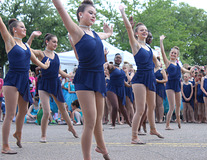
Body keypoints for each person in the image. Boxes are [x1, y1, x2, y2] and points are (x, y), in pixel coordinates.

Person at [52, 0, 113, 159]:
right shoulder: (76, 31)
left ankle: (102, 149)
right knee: (90, 121)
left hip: (99, 77)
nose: (93, 16)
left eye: (95, 14)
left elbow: (104, 35)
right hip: (85, 77)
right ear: (80, 14)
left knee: (98, 120)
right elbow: (60, 8)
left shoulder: (94, 34)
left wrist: (109, 33)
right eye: (90, 13)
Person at [0, 17, 49, 154]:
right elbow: (2, 25)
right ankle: (5, 146)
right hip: (12, 80)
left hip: (24, 80)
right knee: (10, 114)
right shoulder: (10, 41)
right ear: (14, 29)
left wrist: (45, 65)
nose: (25, 29)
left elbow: (34, 60)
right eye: (22, 27)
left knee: (22, 111)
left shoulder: (26, 46)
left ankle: (18, 133)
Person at [119, 5, 164, 145]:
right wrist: (123, 12)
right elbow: (128, 29)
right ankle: (134, 137)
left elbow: (156, 64)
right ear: (136, 33)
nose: (144, 32)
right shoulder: (136, 45)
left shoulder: (149, 47)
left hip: (150, 77)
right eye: (141, 30)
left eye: (146, 30)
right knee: (140, 109)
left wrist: (158, 67)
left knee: (152, 107)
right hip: (140, 79)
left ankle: (153, 129)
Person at [27, 32, 79, 142]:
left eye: (57, 42)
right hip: (44, 84)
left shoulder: (56, 55)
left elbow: (59, 70)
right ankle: (43, 135)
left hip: (55, 83)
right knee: (46, 111)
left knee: (63, 109)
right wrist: (32, 36)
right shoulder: (41, 54)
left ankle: (71, 127)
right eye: (54, 42)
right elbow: (28, 48)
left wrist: (69, 75)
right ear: (47, 42)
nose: (56, 44)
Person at [160, 35, 190, 130]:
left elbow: (184, 70)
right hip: (170, 86)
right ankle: (167, 125)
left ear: (177, 55)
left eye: (175, 53)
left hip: (177, 85)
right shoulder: (168, 63)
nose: (173, 54)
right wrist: (161, 41)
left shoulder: (178, 64)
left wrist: (191, 70)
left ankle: (178, 121)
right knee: (172, 106)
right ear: (170, 54)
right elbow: (162, 52)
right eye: (172, 53)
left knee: (178, 107)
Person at [106, 53, 131, 129]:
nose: (118, 59)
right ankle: (113, 124)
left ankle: (129, 123)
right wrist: (105, 56)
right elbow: (107, 65)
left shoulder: (121, 70)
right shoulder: (112, 67)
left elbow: (123, 81)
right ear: (114, 59)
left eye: (120, 58)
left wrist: (129, 85)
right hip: (111, 88)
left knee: (122, 107)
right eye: (117, 57)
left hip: (121, 89)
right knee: (115, 106)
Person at [154, 58, 167, 123]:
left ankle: (161, 118)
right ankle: (157, 118)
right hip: (153, 87)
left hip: (160, 87)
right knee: (154, 104)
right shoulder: (151, 70)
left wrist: (159, 81)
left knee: (160, 103)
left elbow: (166, 79)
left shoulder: (162, 70)